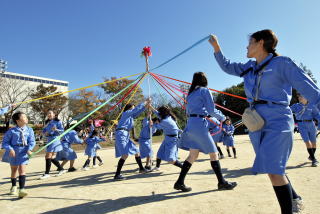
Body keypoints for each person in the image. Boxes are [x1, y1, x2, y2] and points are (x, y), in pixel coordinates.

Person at [209, 29, 320, 213]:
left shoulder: (281, 63)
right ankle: (295, 199)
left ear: (261, 43)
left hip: (278, 120)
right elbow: (227, 66)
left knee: (274, 170)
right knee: (273, 167)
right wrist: (216, 47)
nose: (246, 46)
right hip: (256, 123)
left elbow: (309, 89)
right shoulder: (249, 67)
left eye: (250, 42)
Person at [176, 72, 237, 192]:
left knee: (193, 155)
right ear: (204, 80)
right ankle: (221, 182)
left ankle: (179, 182)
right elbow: (211, 109)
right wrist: (223, 118)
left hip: (191, 124)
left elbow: (189, 111)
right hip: (199, 124)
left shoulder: (190, 94)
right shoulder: (204, 90)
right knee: (214, 153)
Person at [113, 98, 151, 180]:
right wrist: (145, 102)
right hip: (121, 134)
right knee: (125, 154)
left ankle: (141, 168)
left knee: (136, 151)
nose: (134, 109)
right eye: (132, 108)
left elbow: (137, 112)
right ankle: (117, 174)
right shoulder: (126, 113)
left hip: (126, 135)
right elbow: (136, 110)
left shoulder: (130, 116)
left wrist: (146, 107)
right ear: (129, 108)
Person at [2, 112, 36, 198]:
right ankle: (13, 186)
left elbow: (32, 141)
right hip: (13, 152)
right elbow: (5, 142)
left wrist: (29, 149)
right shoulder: (11, 131)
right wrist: (10, 149)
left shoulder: (29, 130)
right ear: (18, 121)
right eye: (24, 117)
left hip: (24, 151)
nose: (26, 118)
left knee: (22, 170)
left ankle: (22, 189)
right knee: (14, 170)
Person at [291, 95, 320, 167]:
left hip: (311, 125)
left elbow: (317, 115)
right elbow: (287, 110)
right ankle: (314, 159)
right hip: (301, 125)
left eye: (301, 96)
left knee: (313, 143)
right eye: (299, 97)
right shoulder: (295, 106)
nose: (299, 98)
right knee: (307, 141)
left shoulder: (312, 106)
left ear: (307, 98)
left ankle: (311, 156)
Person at [151, 106, 183, 171]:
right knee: (159, 153)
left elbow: (157, 126)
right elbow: (157, 113)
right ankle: (157, 167)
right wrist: (150, 106)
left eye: (159, 113)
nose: (158, 114)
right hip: (168, 137)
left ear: (162, 113)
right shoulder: (167, 116)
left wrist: (152, 124)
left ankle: (183, 167)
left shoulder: (165, 121)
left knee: (170, 159)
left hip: (172, 140)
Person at [40, 110, 66, 179]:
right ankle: (61, 169)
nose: (48, 114)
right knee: (51, 157)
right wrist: (45, 133)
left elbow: (62, 131)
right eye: (47, 113)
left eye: (50, 113)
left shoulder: (58, 122)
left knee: (48, 156)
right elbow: (44, 131)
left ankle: (47, 173)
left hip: (55, 139)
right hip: (49, 140)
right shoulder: (47, 122)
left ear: (54, 114)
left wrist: (56, 129)